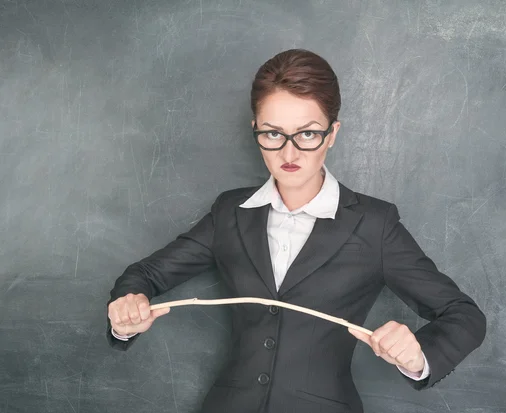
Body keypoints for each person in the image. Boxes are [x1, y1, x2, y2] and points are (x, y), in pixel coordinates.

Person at [106, 48, 486, 413]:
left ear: (332, 133)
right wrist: (127, 313)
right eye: (273, 134)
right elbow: (144, 276)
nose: (289, 155)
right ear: (255, 130)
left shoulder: (374, 224)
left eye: (307, 134)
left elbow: (464, 316)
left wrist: (417, 355)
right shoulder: (230, 213)